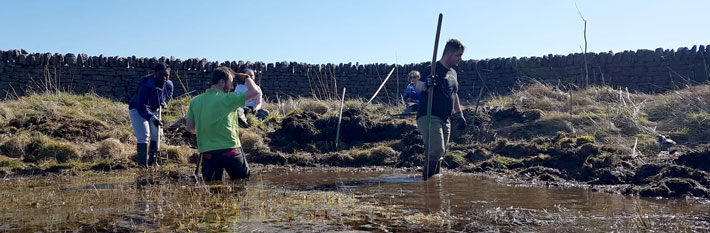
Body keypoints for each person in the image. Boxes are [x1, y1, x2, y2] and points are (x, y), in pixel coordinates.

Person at [185, 66, 259, 181]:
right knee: (242, 182)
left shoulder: (195, 101)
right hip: (230, 149)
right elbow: (255, 92)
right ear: (221, 82)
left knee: (211, 189)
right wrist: (247, 77)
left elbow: (189, 128)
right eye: (231, 82)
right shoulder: (229, 98)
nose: (232, 86)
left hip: (207, 152)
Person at [415, 39, 467, 180]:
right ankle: (427, 181)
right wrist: (426, 84)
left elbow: (454, 94)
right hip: (429, 115)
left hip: (446, 118)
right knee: (436, 150)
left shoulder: (453, 73)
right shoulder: (432, 68)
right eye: (458, 55)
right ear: (448, 53)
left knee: (441, 152)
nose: (460, 59)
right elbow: (417, 86)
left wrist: (459, 114)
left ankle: (433, 181)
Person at [128, 62, 173, 167]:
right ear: (155, 74)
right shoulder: (145, 86)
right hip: (137, 109)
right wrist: (152, 118)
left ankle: (153, 161)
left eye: (166, 75)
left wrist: (164, 102)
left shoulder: (169, 85)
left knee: (158, 134)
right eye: (161, 75)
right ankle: (142, 165)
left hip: (153, 109)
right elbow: (141, 107)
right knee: (144, 135)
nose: (164, 78)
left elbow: (167, 97)